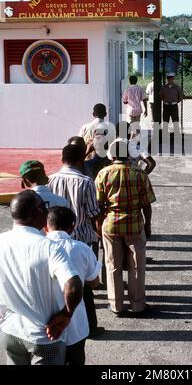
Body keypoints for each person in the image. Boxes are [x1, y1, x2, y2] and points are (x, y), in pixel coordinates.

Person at [0, 190, 82, 365]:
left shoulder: (1, 241)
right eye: (44, 207)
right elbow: (73, 286)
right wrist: (66, 314)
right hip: (45, 336)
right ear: (37, 212)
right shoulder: (50, 247)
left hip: (10, 330)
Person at [95, 139, 156, 316]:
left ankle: (116, 305)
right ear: (128, 154)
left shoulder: (103, 174)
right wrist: (148, 224)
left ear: (112, 155)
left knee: (112, 264)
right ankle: (137, 304)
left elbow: (98, 204)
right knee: (137, 264)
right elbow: (147, 204)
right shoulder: (139, 174)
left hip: (111, 224)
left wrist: (99, 225)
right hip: (135, 224)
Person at [48, 144, 101, 336]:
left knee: (59, 285)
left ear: (62, 159)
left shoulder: (50, 179)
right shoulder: (87, 181)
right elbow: (94, 213)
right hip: (83, 240)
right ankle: (89, 327)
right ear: (81, 160)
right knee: (85, 288)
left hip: (54, 240)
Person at [45, 206, 101, 364]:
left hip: (45, 326)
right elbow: (94, 282)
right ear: (72, 228)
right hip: (75, 323)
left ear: (45, 226)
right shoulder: (82, 249)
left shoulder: (36, 248)